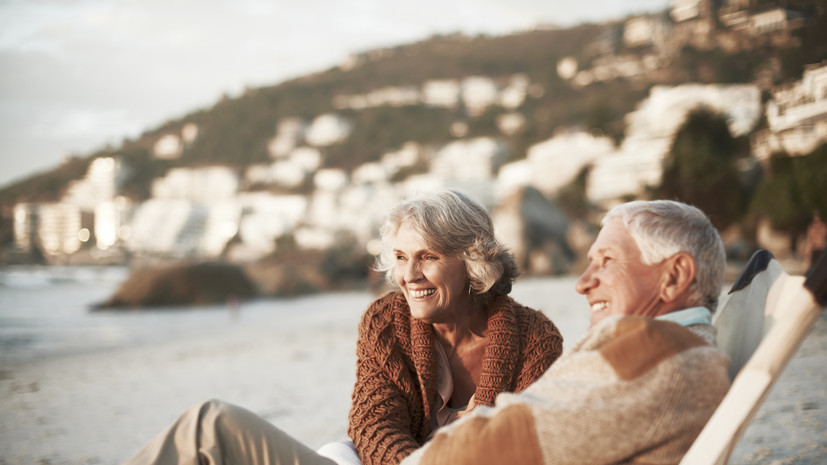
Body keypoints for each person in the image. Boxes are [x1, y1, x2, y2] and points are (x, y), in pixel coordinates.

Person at [121, 189, 564, 465]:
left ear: (472, 262)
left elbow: (528, 447)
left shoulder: (535, 341)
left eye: (427, 257)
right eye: (400, 257)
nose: (408, 275)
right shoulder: (387, 321)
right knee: (208, 425)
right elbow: (374, 426)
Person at [400, 199, 732, 465]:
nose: (583, 283)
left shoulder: (654, 351)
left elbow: (498, 445)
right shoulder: (687, 353)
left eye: (606, 261)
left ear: (674, 277)